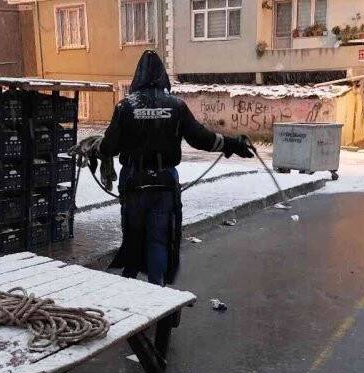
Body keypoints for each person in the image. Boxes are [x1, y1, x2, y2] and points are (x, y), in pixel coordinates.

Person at [92, 50, 253, 286]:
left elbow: (109, 147)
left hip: (134, 183)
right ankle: (157, 291)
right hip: (164, 184)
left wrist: (97, 150)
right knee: (158, 240)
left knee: (134, 238)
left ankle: (128, 289)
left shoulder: (125, 107)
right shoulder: (176, 106)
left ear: (137, 77)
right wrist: (231, 144)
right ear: (162, 76)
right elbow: (201, 138)